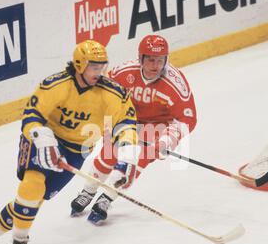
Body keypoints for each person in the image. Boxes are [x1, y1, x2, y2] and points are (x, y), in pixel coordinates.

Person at [0, 40, 140, 244]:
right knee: (32, 187)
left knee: (33, 201)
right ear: (79, 65)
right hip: (46, 140)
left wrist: (126, 156)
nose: (100, 72)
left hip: (77, 152)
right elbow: (31, 115)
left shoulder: (112, 93)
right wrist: (41, 137)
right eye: (94, 67)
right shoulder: (55, 85)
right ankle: (20, 238)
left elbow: (126, 124)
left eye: (102, 67)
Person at [71, 34, 197, 224]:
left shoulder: (176, 84)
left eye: (160, 60)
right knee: (109, 154)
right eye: (151, 60)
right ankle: (88, 190)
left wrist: (165, 141)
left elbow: (187, 118)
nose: (156, 65)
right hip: (128, 120)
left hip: (158, 127)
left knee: (135, 162)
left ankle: (107, 198)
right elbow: (104, 97)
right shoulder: (122, 73)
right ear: (141, 58)